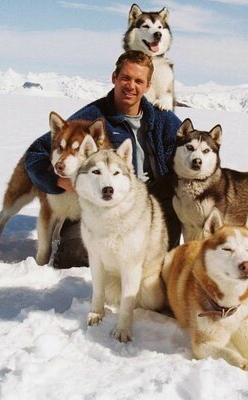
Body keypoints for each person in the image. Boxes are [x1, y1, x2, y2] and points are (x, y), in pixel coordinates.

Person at [24, 50, 182, 268]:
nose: (131, 86)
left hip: (153, 201)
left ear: (147, 86)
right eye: (125, 78)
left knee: (161, 260)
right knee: (74, 257)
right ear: (114, 78)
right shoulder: (92, 117)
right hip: (102, 203)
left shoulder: (163, 119)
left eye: (138, 81)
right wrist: (57, 182)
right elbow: (34, 154)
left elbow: (188, 152)